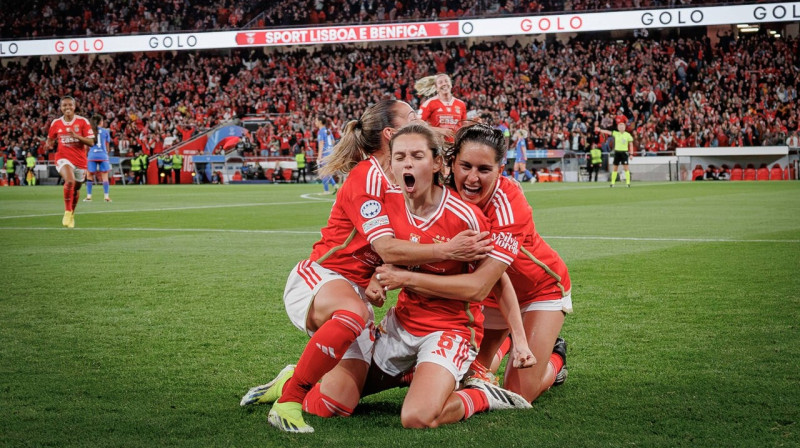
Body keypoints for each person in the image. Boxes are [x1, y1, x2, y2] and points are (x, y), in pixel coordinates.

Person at [240, 100, 492, 434]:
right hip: (324, 276)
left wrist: (460, 135)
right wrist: (448, 249)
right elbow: (386, 247)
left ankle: (293, 374)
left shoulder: (406, 181)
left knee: (338, 403)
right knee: (352, 315)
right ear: (392, 134)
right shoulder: (368, 177)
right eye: (413, 119)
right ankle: (289, 400)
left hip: (358, 289)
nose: (421, 122)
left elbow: (410, 238)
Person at [379, 124, 572, 404]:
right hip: (493, 297)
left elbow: (479, 286)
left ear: (500, 169)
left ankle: (555, 359)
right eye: (465, 166)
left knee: (518, 392)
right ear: (450, 163)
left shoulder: (509, 204)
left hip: (537, 291)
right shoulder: (440, 192)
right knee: (468, 378)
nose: (472, 178)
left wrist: (405, 278)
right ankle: (505, 342)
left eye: (484, 170)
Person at [45, 96, 95, 228]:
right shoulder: (56, 123)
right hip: (63, 158)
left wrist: (77, 137)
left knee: (76, 188)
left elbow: (91, 142)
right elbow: (50, 139)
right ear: (61, 108)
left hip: (79, 160)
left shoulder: (82, 121)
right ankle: (67, 211)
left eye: (70, 105)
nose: (67, 108)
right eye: (64, 105)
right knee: (70, 181)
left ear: (74, 106)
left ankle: (72, 213)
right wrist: (48, 144)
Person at [416, 73, 467, 145]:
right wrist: (439, 130)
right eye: (440, 82)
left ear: (451, 84)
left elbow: (463, 126)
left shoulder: (461, 104)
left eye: (446, 81)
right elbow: (417, 124)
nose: (444, 84)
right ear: (436, 88)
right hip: (437, 145)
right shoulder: (429, 103)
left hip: (456, 145)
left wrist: (473, 123)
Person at [596, 122, 634, 187]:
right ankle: (612, 183)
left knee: (626, 168)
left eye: (622, 127)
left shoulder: (627, 135)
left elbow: (631, 145)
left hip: (624, 152)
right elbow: (608, 132)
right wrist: (600, 130)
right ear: (618, 128)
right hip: (617, 152)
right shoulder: (616, 133)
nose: (621, 128)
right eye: (620, 127)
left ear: (625, 128)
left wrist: (631, 154)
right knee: (615, 168)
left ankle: (628, 183)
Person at [84, 114, 112, 202]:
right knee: (105, 176)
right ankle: (106, 197)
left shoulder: (89, 131)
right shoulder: (106, 131)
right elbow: (107, 146)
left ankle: (89, 197)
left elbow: (86, 146)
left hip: (92, 155)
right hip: (103, 155)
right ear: (101, 122)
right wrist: (106, 153)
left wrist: (86, 156)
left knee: (89, 175)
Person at [316, 116, 337, 194]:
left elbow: (321, 143)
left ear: (320, 122)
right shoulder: (328, 130)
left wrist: (319, 156)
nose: (315, 123)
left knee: (323, 172)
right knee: (326, 172)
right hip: (331, 152)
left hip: (325, 153)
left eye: (316, 121)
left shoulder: (321, 131)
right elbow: (333, 141)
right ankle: (335, 185)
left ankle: (326, 190)